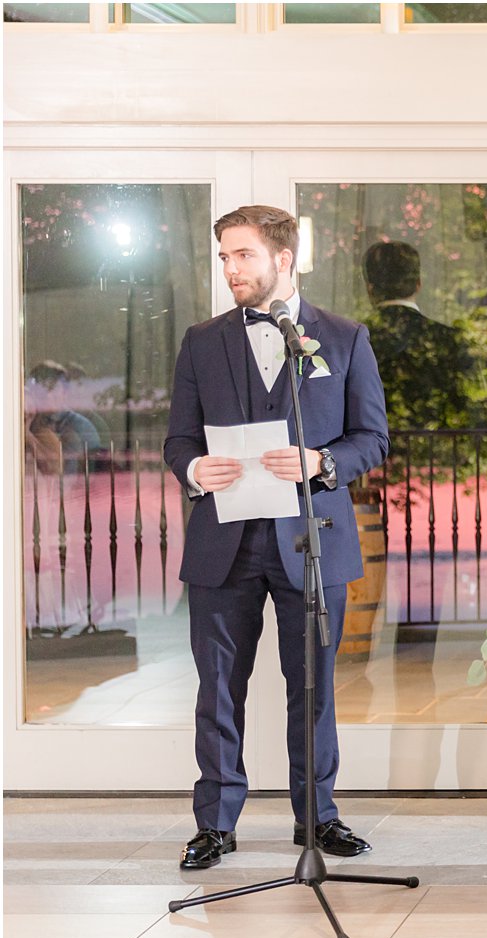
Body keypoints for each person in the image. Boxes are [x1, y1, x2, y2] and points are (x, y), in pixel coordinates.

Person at [163, 205, 389, 869]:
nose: (231, 268)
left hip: (311, 540)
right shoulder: (201, 341)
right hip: (221, 542)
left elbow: (371, 437)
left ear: (282, 259)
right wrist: (195, 467)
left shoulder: (344, 338)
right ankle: (216, 823)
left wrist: (323, 463)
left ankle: (317, 818)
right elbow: (179, 437)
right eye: (225, 257)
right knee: (218, 690)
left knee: (312, 688)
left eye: (243, 255)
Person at [360, 240, 487, 434]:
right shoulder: (448, 339)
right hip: (441, 456)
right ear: (418, 284)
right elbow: (469, 409)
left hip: (371, 459)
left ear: (370, 288)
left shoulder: (352, 341)